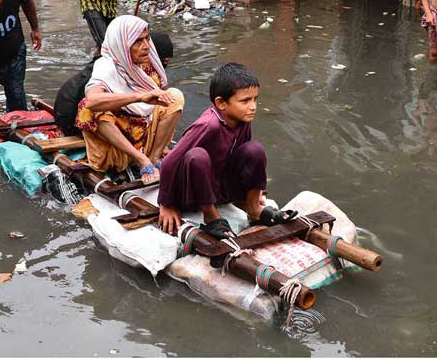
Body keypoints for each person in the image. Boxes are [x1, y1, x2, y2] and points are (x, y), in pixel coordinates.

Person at [157, 63, 294, 238]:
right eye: (245, 101)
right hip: (192, 192)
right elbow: (170, 161)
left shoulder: (242, 119)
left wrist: (257, 192)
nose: (253, 106)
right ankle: (210, 216)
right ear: (221, 103)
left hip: (218, 187)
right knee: (197, 156)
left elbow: (245, 157)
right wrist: (166, 204)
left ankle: (254, 209)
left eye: (255, 99)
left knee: (254, 149)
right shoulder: (209, 125)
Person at [75, 16, 183, 184]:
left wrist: (162, 145)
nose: (147, 46)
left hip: (143, 136)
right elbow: (92, 100)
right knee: (87, 109)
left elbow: (156, 105)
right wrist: (138, 97)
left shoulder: (148, 64)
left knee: (174, 96)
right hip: (117, 149)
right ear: (123, 44)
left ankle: (153, 158)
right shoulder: (106, 66)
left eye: (147, 39)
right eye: (138, 41)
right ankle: (141, 160)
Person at [54, 31, 174, 137]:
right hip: (71, 120)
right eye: (162, 62)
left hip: (66, 113)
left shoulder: (134, 68)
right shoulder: (109, 66)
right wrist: (139, 98)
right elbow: (91, 102)